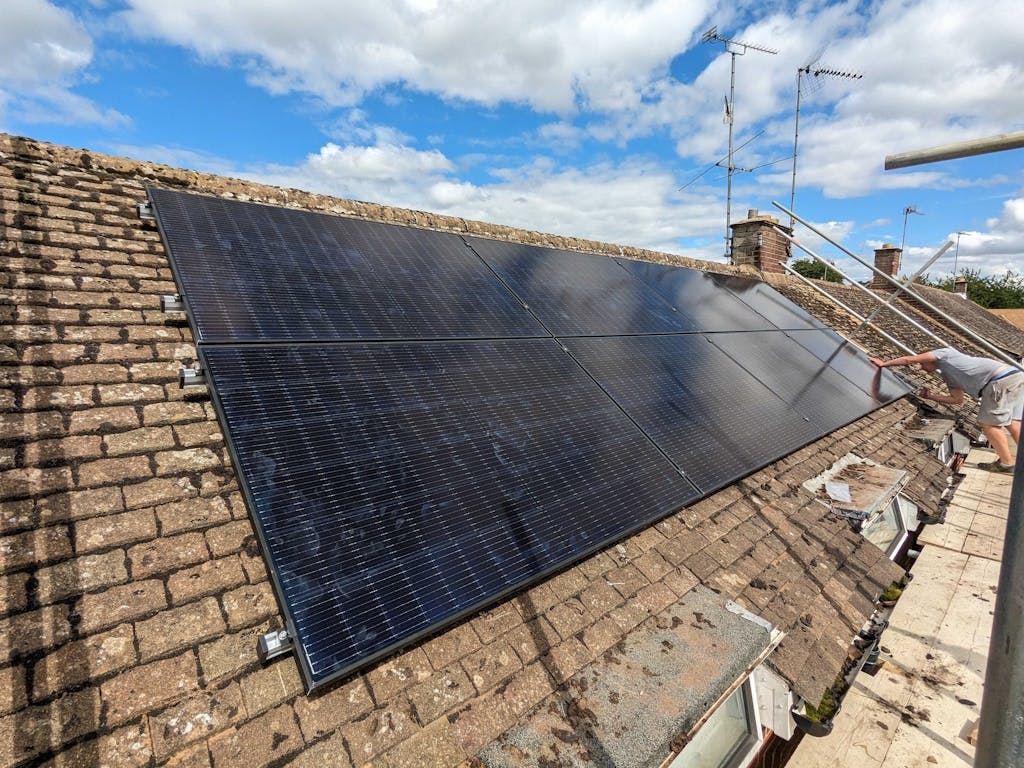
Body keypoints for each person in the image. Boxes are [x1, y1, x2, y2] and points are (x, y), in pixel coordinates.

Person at [870, 348, 1024, 473]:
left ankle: (1006, 463)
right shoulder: (949, 374)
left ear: (928, 359)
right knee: (1013, 422)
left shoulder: (944, 354)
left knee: (989, 425)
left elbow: (910, 359)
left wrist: (884, 364)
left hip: (998, 382)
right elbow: (957, 400)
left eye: (923, 364)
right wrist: (931, 396)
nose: (922, 368)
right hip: (1015, 376)